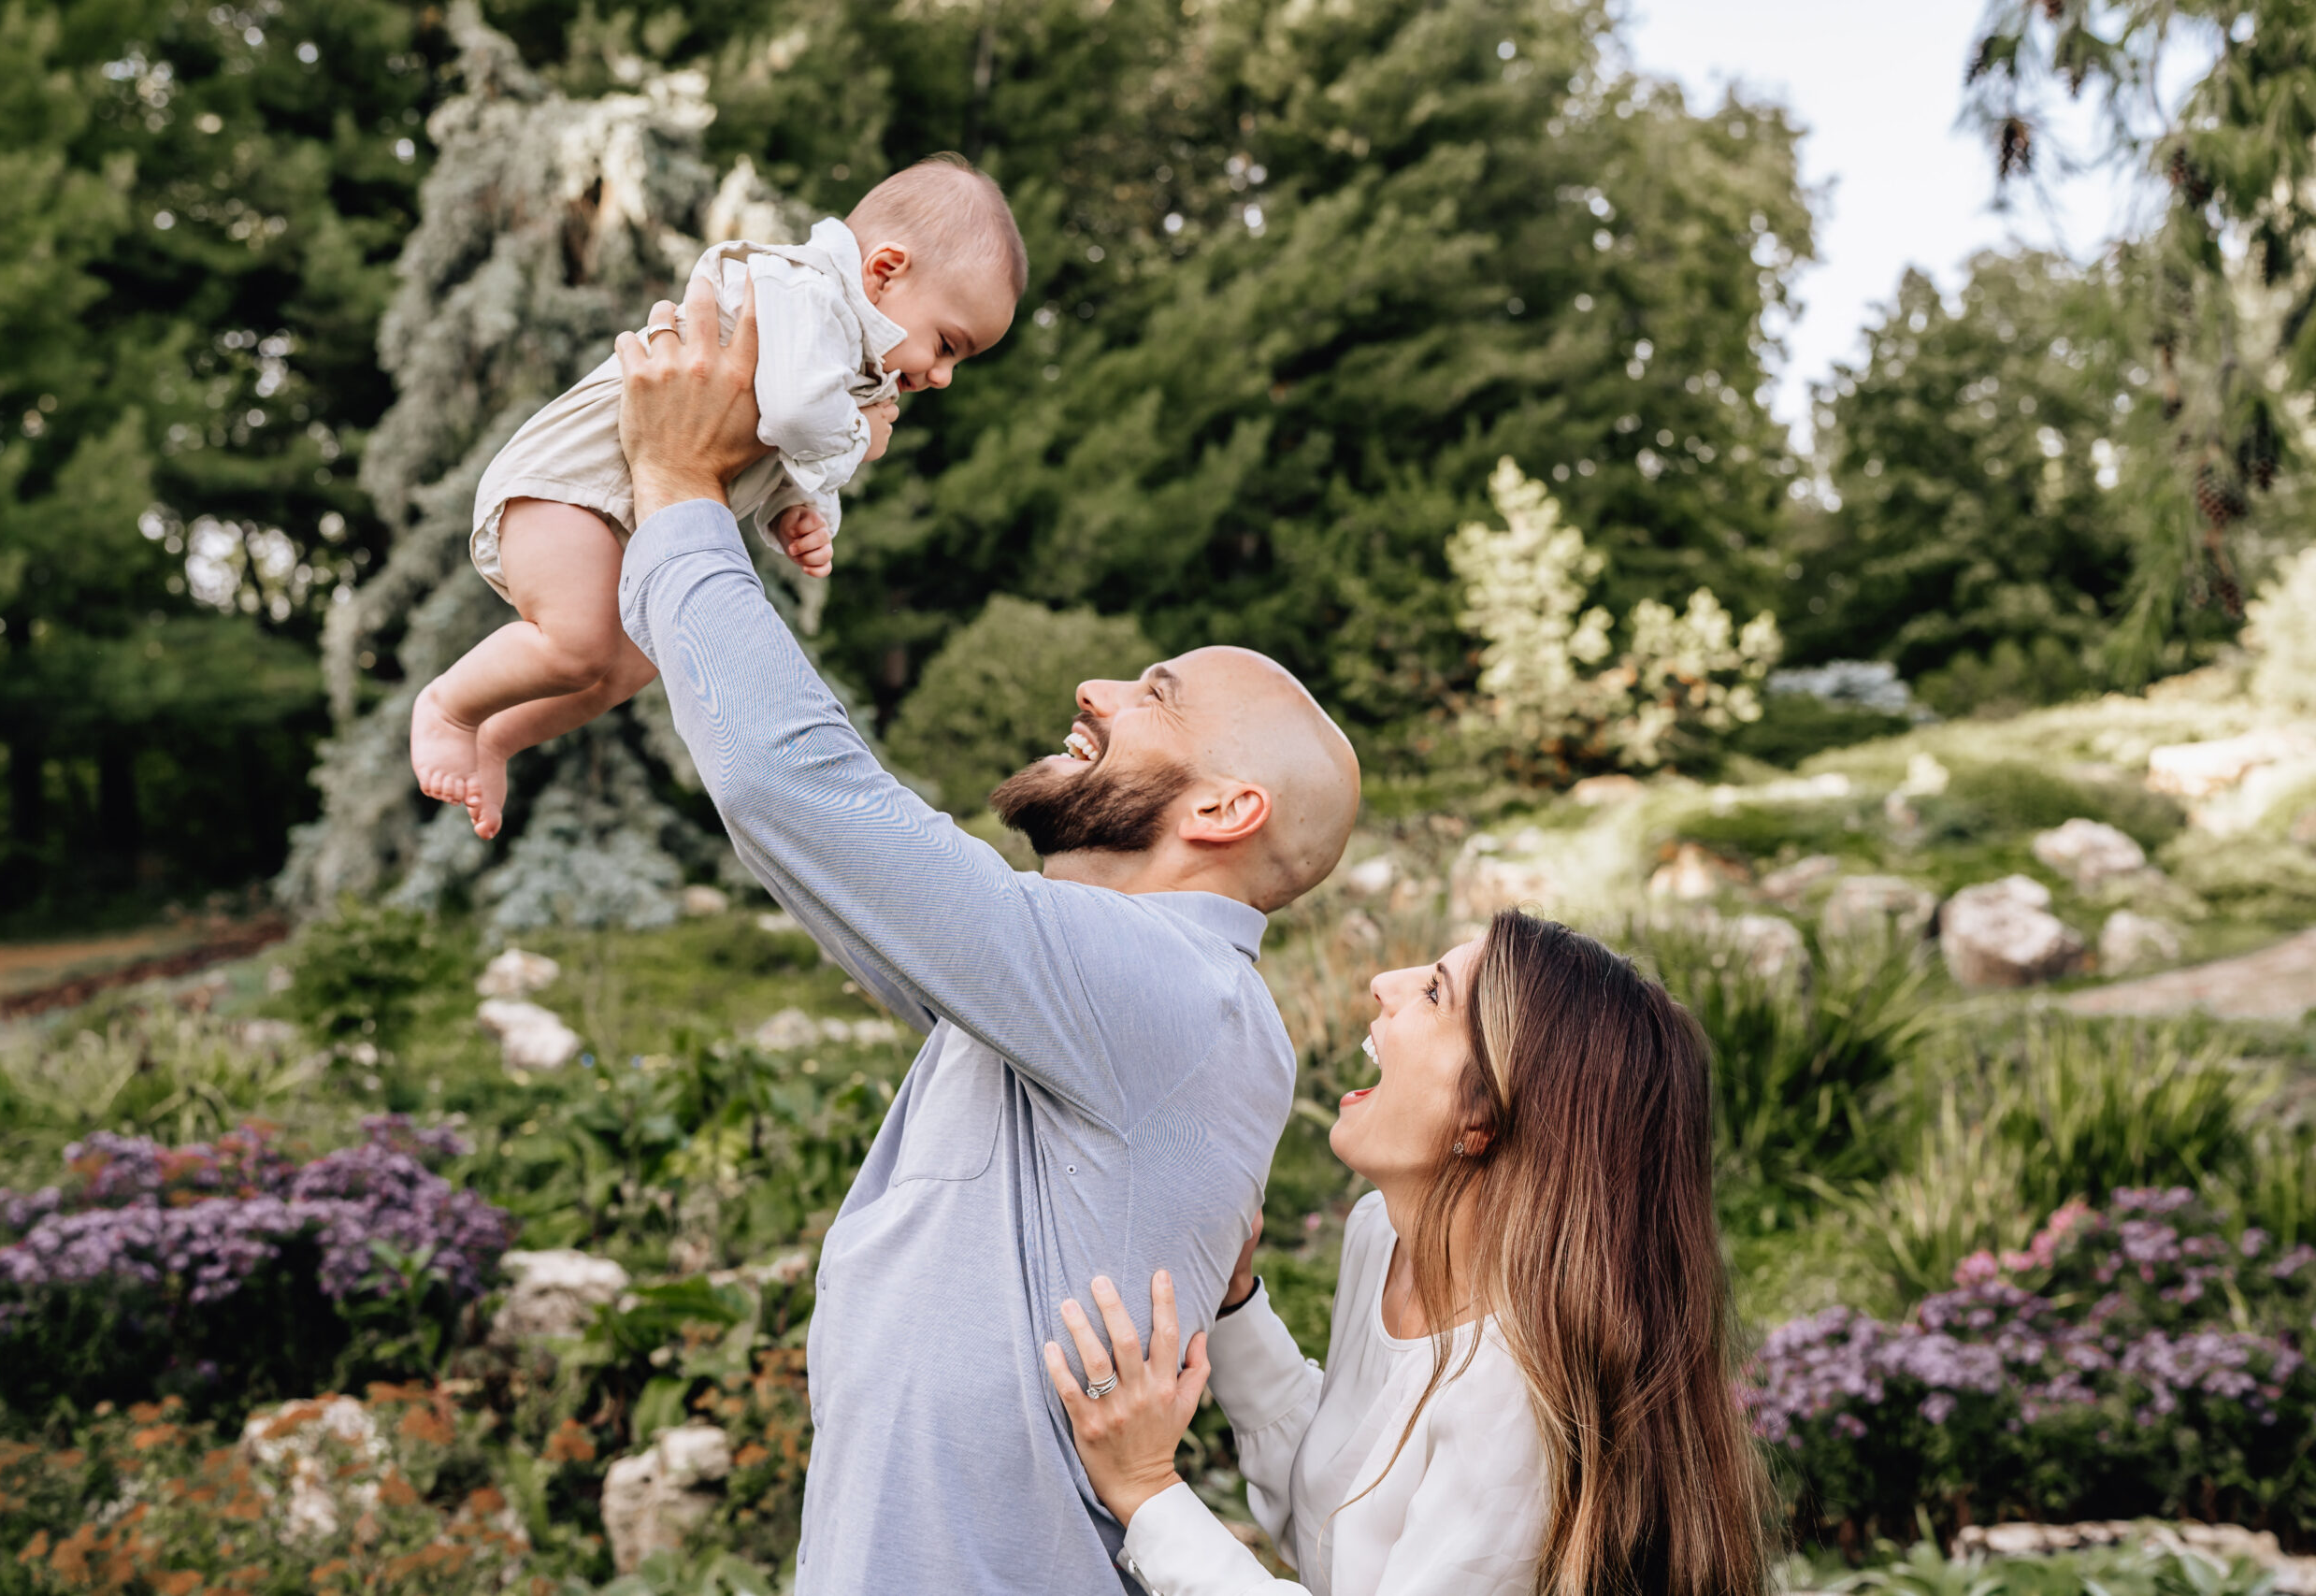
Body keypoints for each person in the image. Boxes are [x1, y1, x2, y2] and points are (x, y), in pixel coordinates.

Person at [605, 270, 1365, 1594]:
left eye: (1156, 691)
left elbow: (799, 791)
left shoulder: (1164, 992)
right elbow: (835, 862)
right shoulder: (1061, 1002)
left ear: (1228, 805)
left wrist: (679, 496)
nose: (1097, 685)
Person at [1043, 910, 1774, 1596]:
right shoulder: (1384, 1239)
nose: (1385, 984)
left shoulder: (1517, 1397)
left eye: (1433, 992)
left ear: (1483, 1114)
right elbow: (1340, 1529)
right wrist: (1235, 1306)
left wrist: (1147, 1491)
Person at [411, 154, 1027, 841]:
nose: (942, 376)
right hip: (571, 486)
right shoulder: (805, 291)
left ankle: (497, 737)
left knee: (630, 666)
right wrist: (862, 436)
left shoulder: (848, 363)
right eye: (947, 345)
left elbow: (768, 448)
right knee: (581, 642)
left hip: (631, 508)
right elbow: (792, 416)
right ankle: (448, 708)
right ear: (885, 270)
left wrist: (801, 513)